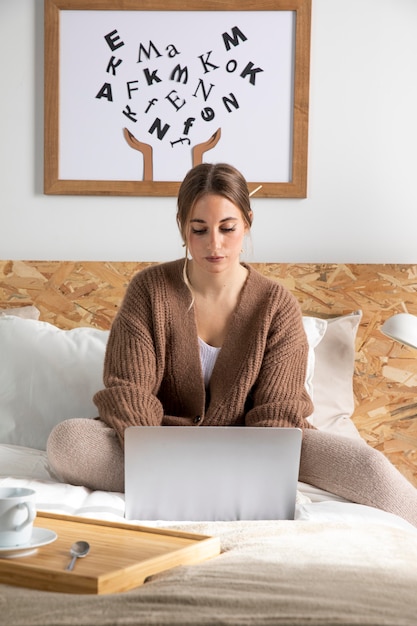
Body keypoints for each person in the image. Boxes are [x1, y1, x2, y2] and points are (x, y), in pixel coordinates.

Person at [47, 162, 417, 527]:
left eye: (227, 228)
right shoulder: (149, 290)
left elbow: (279, 412)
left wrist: (249, 465)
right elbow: (130, 393)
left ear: (247, 223)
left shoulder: (276, 304)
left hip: (259, 448)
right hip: (161, 443)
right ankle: (202, 484)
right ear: (182, 227)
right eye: (199, 229)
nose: (215, 244)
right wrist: (155, 458)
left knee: (369, 465)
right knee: (70, 442)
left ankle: (197, 485)